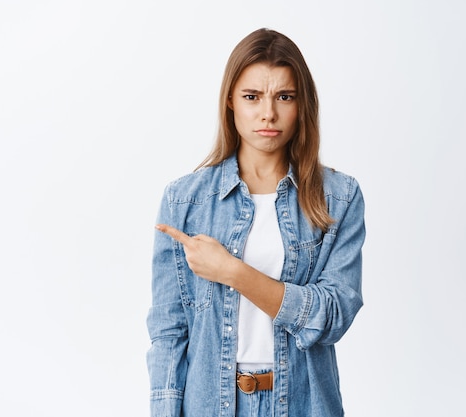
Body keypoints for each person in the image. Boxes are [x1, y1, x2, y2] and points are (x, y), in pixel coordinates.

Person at [146, 27, 365, 417]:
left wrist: (233, 272)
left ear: (302, 104)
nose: (268, 113)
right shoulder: (184, 200)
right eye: (252, 97)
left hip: (303, 403)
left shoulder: (338, 197)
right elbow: (168, 333)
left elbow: (331, 316)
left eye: (284, 96)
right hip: (210, 404)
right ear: (230, 100)